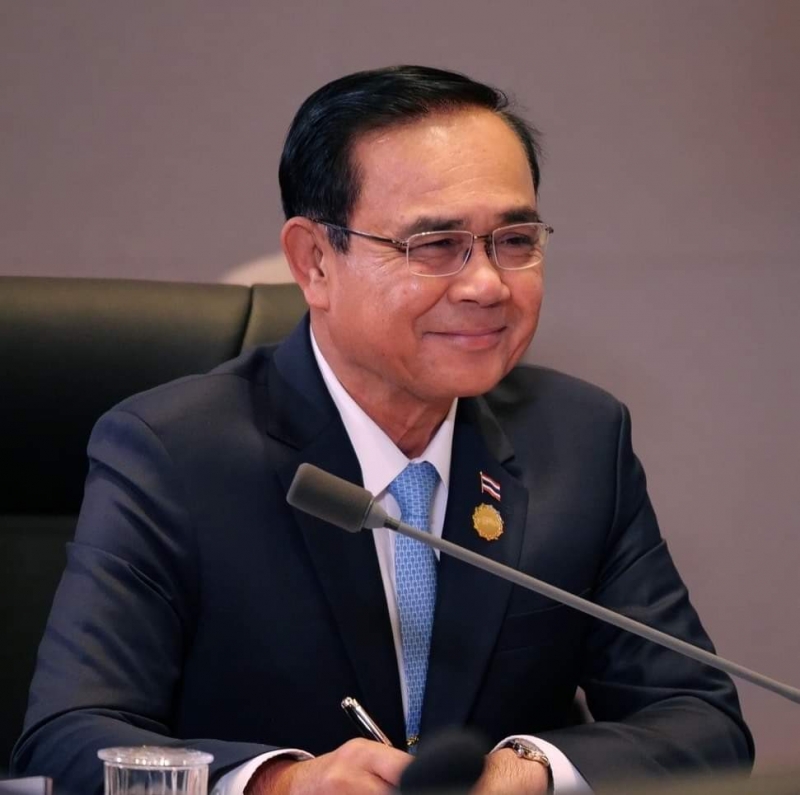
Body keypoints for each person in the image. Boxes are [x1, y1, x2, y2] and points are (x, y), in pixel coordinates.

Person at [11, 66, 753, 795]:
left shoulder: (580, 439)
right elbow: (67, 741)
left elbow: (699, 719)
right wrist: (281, 783)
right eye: (435, 245)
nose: (487, 284)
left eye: (515, 239)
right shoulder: (173, 452)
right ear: (315, 262)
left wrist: (527, 770)